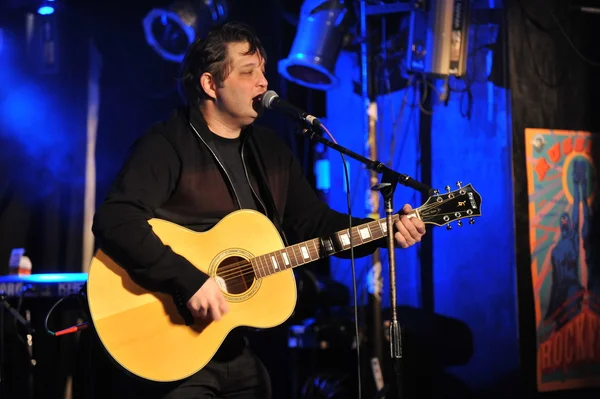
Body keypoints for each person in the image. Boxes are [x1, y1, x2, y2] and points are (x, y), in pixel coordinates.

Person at [91, 21, 426, 399]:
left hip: (238, 350)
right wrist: (189, 279)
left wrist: (382, 232)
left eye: (263, 71)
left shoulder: (270, 151)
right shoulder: (167, 144)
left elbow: (314, 224)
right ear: (209, 84)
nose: (263, 82)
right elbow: (115, 219)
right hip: (174, 350)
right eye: (248, 72)